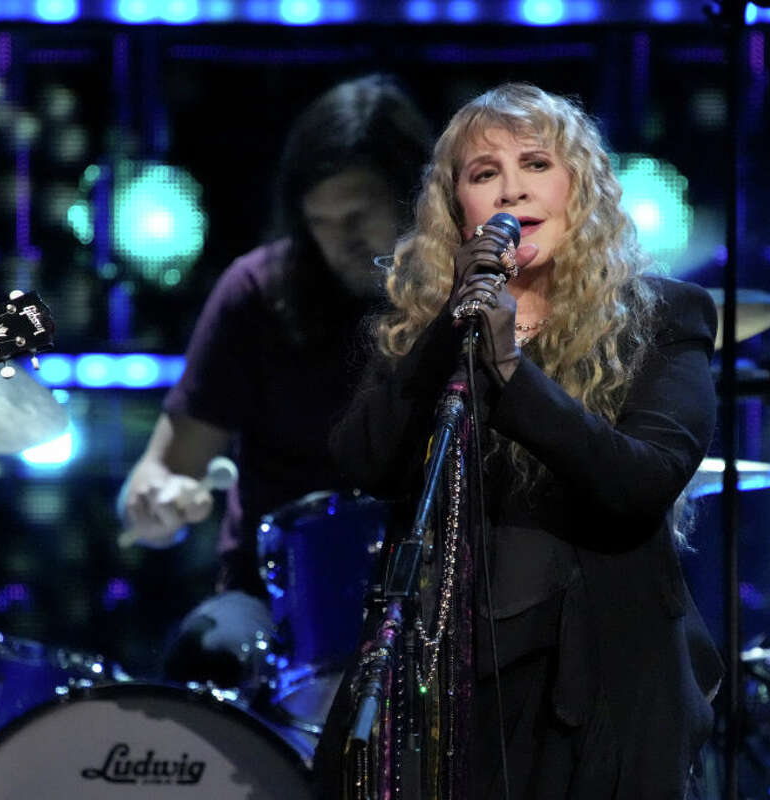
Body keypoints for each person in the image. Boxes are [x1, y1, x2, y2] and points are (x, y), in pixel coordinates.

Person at [319, 83, 723, 799]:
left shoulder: (665, 319)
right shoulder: (423, 331)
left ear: (581, 187)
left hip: (598, 685)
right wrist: (452, 327)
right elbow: (363, 460)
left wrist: (510, 370)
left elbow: (639, 482)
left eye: (536, 164)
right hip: (444, 677)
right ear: (458, 209)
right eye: (483, 175)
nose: (511, 191)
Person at [117, 74, 432, 686]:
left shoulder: (475, 299)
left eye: (360, 217)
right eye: (321, 221)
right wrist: (155, 501)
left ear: (416, 196)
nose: (342, 242)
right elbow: (164, 470)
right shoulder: (255, 294)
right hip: (271, 608)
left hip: (439, 604)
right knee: (203, 658)